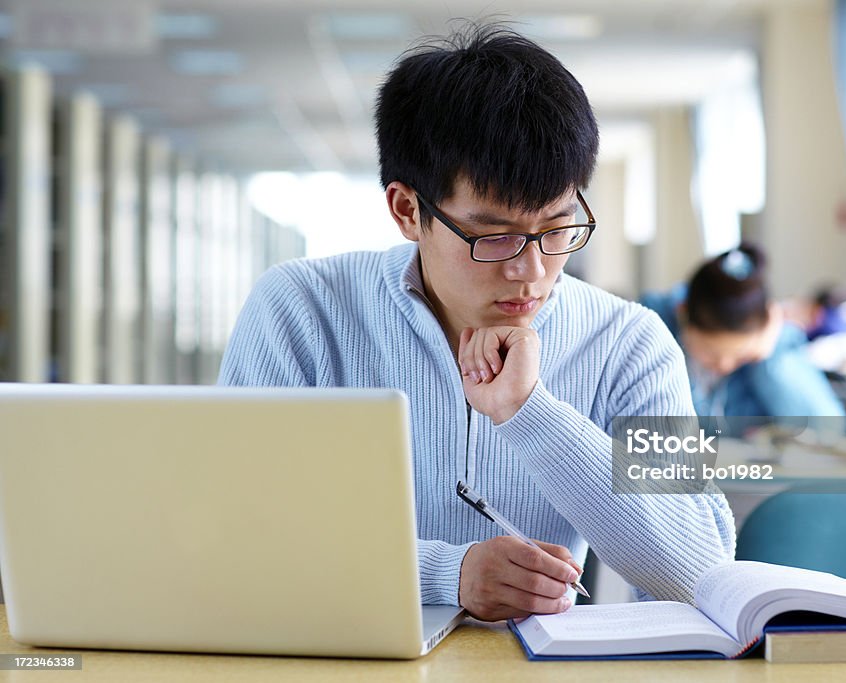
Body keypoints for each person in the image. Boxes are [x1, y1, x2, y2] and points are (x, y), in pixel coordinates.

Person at [218, 25, 734, 622]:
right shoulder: (300, 310)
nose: (532, 271)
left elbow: (699, 570)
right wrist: (444, 574)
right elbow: (237, 535)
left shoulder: (627, 343)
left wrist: (532, 412)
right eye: (495, 236)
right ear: (408, 210)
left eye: (557, 227)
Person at [642, 243, 845, 418]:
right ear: (682, 314)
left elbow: (824, 426)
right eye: (711, 355)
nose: (725, 366)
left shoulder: (774, 345)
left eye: (741, 357)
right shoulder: (648, 335)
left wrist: (769, 354)